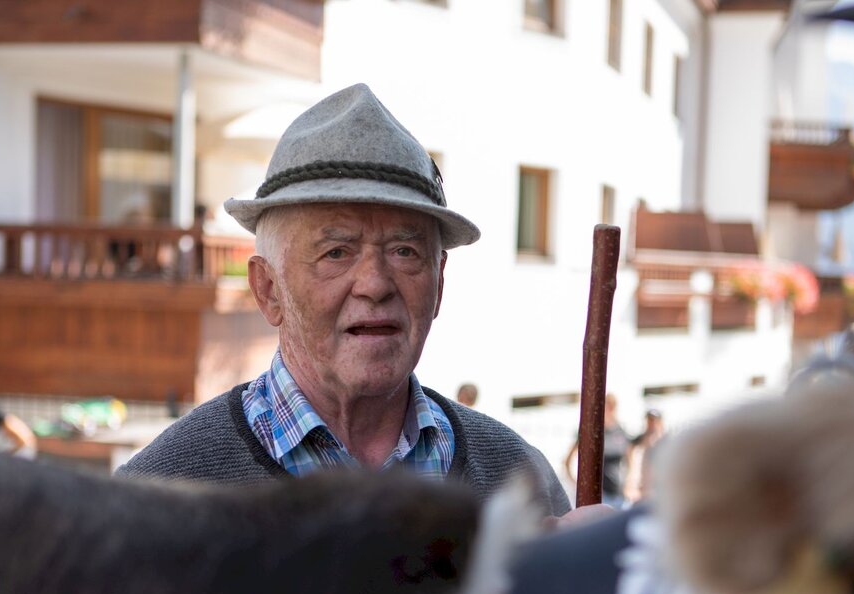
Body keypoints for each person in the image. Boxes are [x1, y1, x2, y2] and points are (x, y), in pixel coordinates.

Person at [116, 84, 570, 518]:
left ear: (439, 285)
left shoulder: (519, 482)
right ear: (268, 290)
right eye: (336, 252)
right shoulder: (158, 498)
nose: (375, 284)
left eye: (404, 251)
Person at [563, 393, 630, 508]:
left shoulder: (619, 429)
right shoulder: (590, 430)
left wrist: (628, 482)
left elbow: (629, 456)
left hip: (618, 492)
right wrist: (576, 484)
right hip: (599, 494)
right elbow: (568, 459)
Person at [622, 408, 665, 502]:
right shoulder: (637, 441)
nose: (652, 424)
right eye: (649, 420)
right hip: (640, 490)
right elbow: (631, 464)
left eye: (654, 421)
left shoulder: (665, 442)